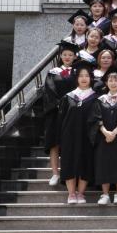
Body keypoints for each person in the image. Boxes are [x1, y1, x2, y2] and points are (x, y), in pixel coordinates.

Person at [89, 69, 117, 205]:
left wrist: (114, 133)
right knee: (104, 164)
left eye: (116, 80)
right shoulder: (100, 100)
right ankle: (105, 194)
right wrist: (105, 132)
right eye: (110, 80)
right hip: (103, 138)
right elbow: (95, 119)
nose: (113, 83)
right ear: (106, 83)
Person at [58, 64, 99, 204]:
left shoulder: (95, 98)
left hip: (88, 137)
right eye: (81, 76)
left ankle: (81, 193)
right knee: (69, 163)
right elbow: (61, 119)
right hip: (69, 136)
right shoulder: (68, 97)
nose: (84, 78)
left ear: (91, 78)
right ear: (76, 78)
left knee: (85, 163)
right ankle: (71, 194)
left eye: (86, 76)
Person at [43, 40, 79, 187]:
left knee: (70, 143)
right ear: (61, 56)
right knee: (54, 143)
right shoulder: (53, 73)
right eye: (65, 54)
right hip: (56, 112)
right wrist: (60, 104)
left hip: (74, 112)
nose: (67, 57)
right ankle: (55, 173)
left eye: (70, 55)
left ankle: (68, 172)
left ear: (75, 57)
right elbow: (49, 91)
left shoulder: (79, 72)